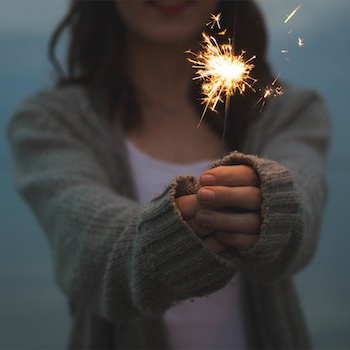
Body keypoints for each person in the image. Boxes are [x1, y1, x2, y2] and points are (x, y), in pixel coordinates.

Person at [7, 0, 330, 349]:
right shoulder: (51, 123)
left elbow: (302, 204)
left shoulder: (286, 111)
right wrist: (168, 237)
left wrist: (272, 206)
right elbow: (85, 246)